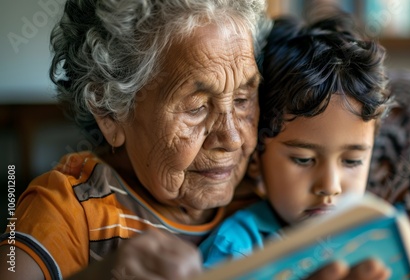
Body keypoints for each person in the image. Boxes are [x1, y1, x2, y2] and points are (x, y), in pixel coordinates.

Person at [0, 0, 389, 279]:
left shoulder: (265, 189)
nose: (233, 138)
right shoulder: (65, 209)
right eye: (197, 106)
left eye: (242, 99)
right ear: (110, 110)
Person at [200, 12, 391, 278]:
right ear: (256, 157)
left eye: (352, 161)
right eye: (303, 159)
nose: (330, 186)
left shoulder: (377, 238)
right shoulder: (237, 251)